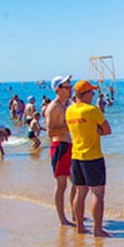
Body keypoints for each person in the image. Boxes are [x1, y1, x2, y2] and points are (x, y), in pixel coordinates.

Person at [66, 79, 112, 237]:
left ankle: (80, 226)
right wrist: (97, 131)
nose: (93, 95)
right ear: (84, 94)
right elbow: (107, 130)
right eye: (91, 92)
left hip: (76, 155)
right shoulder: (92, 110)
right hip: (92, 156)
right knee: (98, 194)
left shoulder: (69, 110)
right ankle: (97, 229)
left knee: (80, 192)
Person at [45, 75, 75, 226]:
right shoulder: (54, 107)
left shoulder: (65, 105)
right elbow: (49, 132)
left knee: (76, 182)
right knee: (61, 185)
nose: (70, 89)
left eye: (70, 86)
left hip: (69, 146)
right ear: (58, 90)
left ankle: (75, 213)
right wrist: (70, 125)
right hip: (59, 147)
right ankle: (62, 218)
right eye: (67, 87)